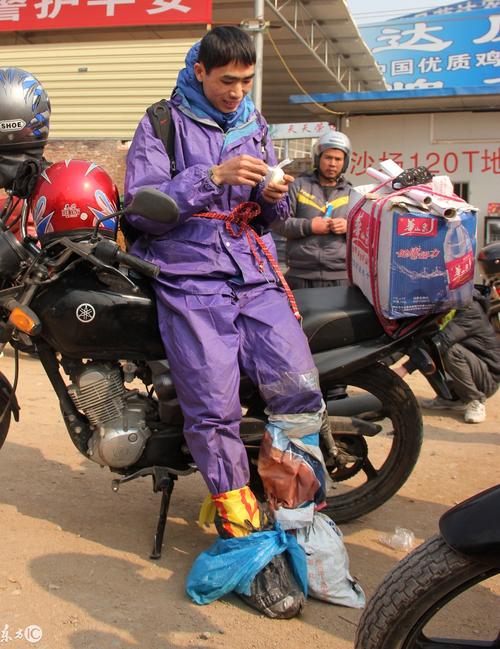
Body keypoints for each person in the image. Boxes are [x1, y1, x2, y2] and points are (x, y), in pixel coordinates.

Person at [124, 26, 326, 618]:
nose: (237, 92)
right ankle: (242, 540)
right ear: (201, 72)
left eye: (245, 81)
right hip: (190, 277)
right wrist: (208, 178)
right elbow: (141, 205)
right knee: (213, 409)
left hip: (254, 272)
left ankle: (296, 523)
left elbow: (270, 218)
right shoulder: (162, 120)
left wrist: (274, 191)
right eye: (226, 81)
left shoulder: (254, 122)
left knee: (298, 394)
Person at [395, 290, 500, 424]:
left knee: (448, 350)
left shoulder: (471, 310)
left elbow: (442, 342)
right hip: (469, 367)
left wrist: (404, 368)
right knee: (422, 345)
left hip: (486, 378)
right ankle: (450, 398)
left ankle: (476, 401)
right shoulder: (446, 307)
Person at [272, 131, 353, 289]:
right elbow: (279, 223)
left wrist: (348, 227)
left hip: (340, 277)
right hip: (299, 276)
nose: (333, 164)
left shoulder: (351, 193)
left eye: (338, 159)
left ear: (345, 162)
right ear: (318, 158)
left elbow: (364, 232)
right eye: (328, 157)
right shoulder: (298, 186)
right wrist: (309, 227)